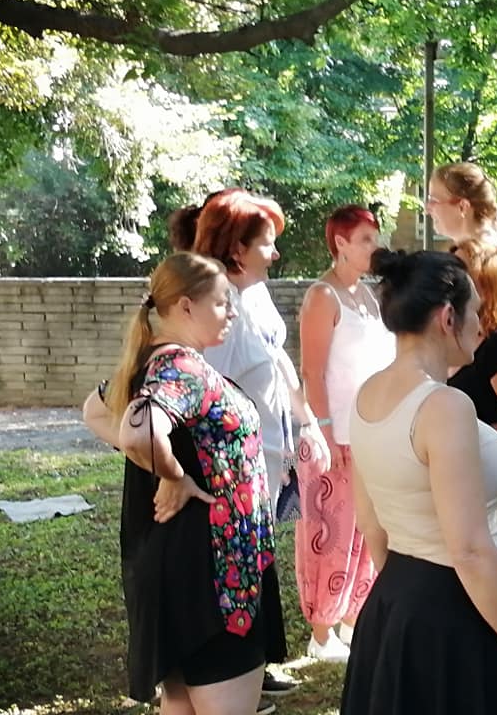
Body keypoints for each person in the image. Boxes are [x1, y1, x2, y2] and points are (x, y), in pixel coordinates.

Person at [342, 248, 497, 715]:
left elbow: (372, 524)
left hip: (396, 596)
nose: (481, 324)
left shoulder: (367, 393)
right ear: (447, 317)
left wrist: (406, 602)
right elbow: (469, 549)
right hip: (454, 606)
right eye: (475, 310)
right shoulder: (444, 406)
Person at [82, 252, 287, 715]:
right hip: (216, 577)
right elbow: (138, 432)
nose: (232, 313)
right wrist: (173, 473)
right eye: (222, 302)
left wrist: (166, 466)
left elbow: (94, 411)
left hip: (185, 568)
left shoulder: (151, 360)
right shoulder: (183, 368)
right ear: (186, 307)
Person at [171, 188, 328, 699]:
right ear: (237, 249)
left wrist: (304, 424)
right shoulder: (221, 314)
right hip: (230, 481)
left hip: (258, 472)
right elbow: (192, 398)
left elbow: (273, 365)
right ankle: (229, 685)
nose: (277, 253)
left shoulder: (246, 297)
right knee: (229, 591)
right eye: (267, 243)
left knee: (253, 577)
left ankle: (245, 676)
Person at [296, 204, 395, 661]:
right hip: (336, 434)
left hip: (370, 432)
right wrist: (327, 432)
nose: (376, 248)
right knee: (330, 533)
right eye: (365, 240)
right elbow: (312, 372)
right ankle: (321, 632)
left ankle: (353, 621)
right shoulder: (323, 296)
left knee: (365, 533)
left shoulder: (368, 296)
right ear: (340, 243)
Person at [448, 238, 497, 443]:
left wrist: (467, 435)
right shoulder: (452, 338)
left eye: (460, 270)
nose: (449, 277)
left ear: (488, 283)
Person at [426, 162, 497, 245]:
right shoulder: (483, 245)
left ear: (463, 206)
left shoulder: (481, 250)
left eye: (434, 200)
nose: (427, 210)